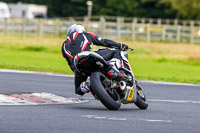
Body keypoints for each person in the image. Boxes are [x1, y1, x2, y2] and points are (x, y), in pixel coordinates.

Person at [61, 24, 129, 96]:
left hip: (78, 66)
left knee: (78, 90)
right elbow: (104, 42)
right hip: (89, 56)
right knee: (116, 51)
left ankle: (88, 85)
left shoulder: (63, 46)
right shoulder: (87, 34)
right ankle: (113, 68)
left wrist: (79, 72)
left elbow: (70, 64)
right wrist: (120, 45)